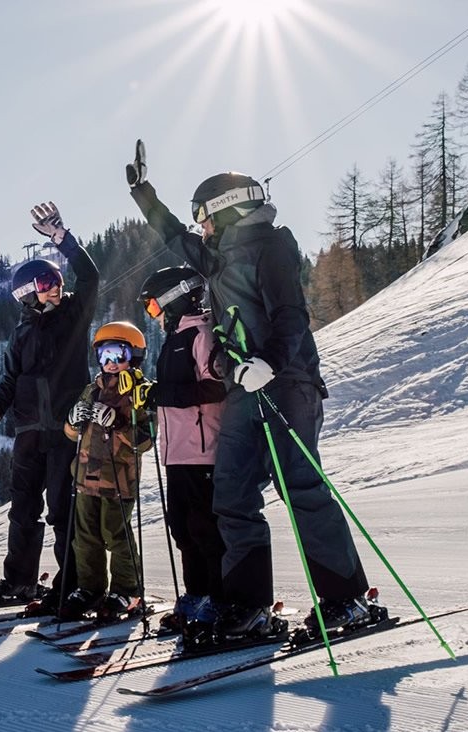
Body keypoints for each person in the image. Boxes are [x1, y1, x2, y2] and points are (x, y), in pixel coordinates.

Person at [122, 140, 374, 640]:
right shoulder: (214, 259)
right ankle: (248, 605)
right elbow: (172, 235)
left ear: (225, 209)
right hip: (243, 390)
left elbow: (291, 315)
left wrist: (271, 362)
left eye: (203, 216)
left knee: (300, 486)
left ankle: (346, 599)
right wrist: (142, 193)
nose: (199, 226)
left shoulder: (271, 247)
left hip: (288, 381)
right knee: (231, 492)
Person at [0, 201, 100, 609]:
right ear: (27, 293)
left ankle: (70, 585)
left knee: (62, 510)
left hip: (65, 430)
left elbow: (91, 276)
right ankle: (19, 582)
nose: (56, 287)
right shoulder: (21, 333)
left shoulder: (74, 314)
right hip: (28, 433)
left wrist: (62, 237)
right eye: (46, 283)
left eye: (56, 280)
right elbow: (10, 380)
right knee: (23, 511)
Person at [137, 265, 227, 633]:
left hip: (203, 452)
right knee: (182, 528)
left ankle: (219, 598)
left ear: (174, 298)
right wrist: (153, 396)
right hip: (176, 453)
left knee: (205, 529)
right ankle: (196, 594)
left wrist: (164, 394)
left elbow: (216, 388)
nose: (153, 314)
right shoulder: (175, 338)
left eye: (153, 306)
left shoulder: (201, 334)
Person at [59, 321, 154, 620]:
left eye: (118, 354)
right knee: (85, 537)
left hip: (118, 480)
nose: (111, 362)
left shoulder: (139, 392)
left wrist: (119, 423)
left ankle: (128, 590)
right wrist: (72, 421)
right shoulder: (92, 390)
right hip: (85, 477)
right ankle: (90, 588)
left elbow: (145, 440)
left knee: (116, 535)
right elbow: (72, 434)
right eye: (104, 355)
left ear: (134, 356)